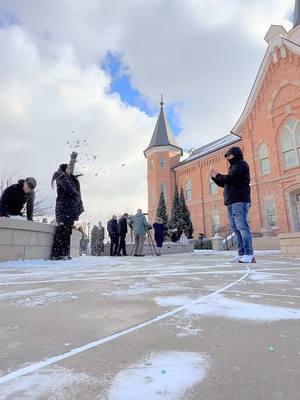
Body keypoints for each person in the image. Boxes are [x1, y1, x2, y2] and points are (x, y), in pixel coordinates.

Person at [211, 146, 255, 263]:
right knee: (236, 229)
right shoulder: (233, 167)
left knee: (242, 227)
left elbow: (230, 178)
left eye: (229, 156)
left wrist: (218, 175)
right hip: (231, 203)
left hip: (239, 201)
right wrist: (215, 178)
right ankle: (241, 253)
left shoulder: (241, 165)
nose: (228, 158)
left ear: (236, 154)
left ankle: (249, 253)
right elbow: (225, 183)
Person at [50, 164, 84, 261]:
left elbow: (73, 191)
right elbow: (69, 190)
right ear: (64, 169)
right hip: (63, 208)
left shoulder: (70, 178)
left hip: (70, 209)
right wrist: (76, 194)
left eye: (70, 168)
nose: (70, 169)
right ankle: (56, 254)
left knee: (68, 231)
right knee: (61, 231)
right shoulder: (61, 177)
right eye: (68, 168)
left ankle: (65, 253)